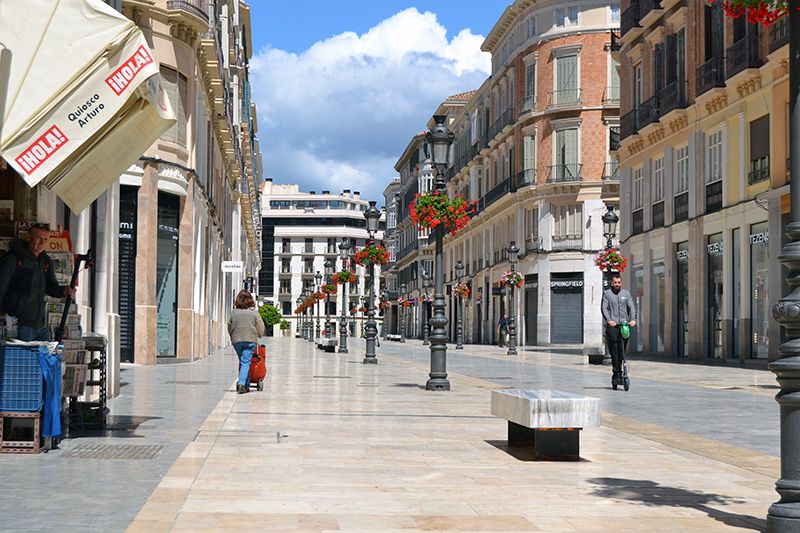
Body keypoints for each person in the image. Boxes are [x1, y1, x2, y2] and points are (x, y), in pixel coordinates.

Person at [0, 223, 74, 341]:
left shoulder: (45, 260)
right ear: (29, 237)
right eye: (39, 238)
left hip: (40, 325)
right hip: (19, 324)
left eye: (45, 239)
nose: (42, 243)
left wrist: (63, 291)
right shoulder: (13, 258)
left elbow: (51, 287)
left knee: (43, 358)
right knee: (23, 358)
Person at [601, 274, 637, 385]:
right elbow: (604, 308)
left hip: (624, 326)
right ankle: (616, 373)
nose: (617, 284)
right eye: (615, 282)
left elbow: (631, 307)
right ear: (612, 283)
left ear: (621, 283)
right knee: (614, 351)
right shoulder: (607, 294)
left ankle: (621, 372)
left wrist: (633, 319)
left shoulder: (626, 294)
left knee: (622, 351)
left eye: (619, 282)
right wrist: (609, 320)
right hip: (613, 326)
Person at [227, 290, 265, 394]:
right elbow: (261, 327)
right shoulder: (254, 313)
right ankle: (241, 383)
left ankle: (246, 385)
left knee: (244, 361)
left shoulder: (234, 312)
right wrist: (260, 335)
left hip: (237, 341)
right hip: (250, 340)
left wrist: (232, 337)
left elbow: (229, 326)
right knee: (245, 362)